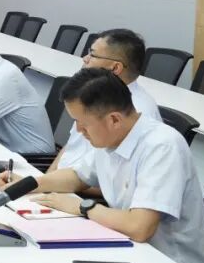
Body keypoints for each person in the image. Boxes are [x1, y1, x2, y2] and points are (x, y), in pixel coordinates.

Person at [0, 68, 204, 263]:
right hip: (132, 249)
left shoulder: (162, 146)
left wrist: (83, 207)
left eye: (83, 123)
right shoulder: (111, 136)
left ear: (114, 120)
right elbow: (77, 177)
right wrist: (29, 183)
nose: (78, 130)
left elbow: (139, 227)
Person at [49, 28, 160, 172]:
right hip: (62, 179)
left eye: (92, 54)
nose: (85, 58)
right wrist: (45, 178)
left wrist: (50, 181)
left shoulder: (136, 112)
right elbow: (71, 147)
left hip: (84, 185)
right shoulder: (94, 93)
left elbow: (112, 177)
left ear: (115, 67)